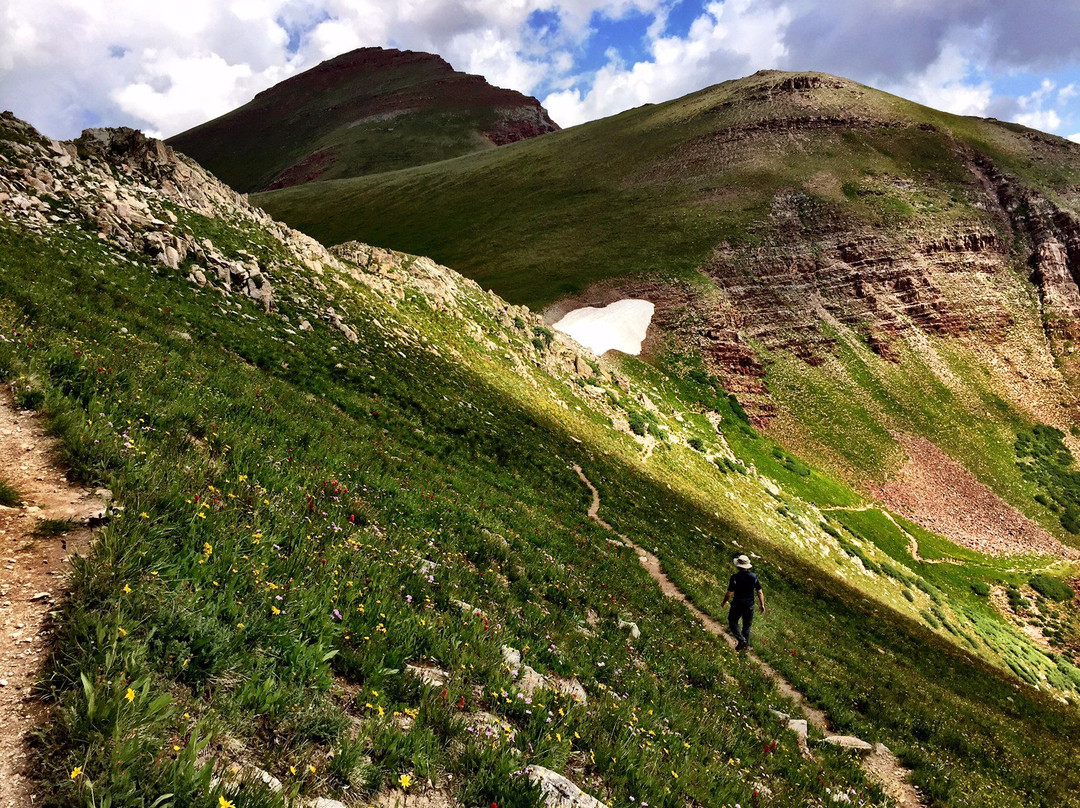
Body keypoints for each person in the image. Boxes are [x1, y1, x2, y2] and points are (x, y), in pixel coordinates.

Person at [720, 554, 765, 651]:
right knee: (747, 626)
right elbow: (759, 591)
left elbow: (729, 593)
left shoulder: (735, 577)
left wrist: (724, 602)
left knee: (732, 621)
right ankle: (744, 647)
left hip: (737, 603)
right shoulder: (754, 577)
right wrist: (762, 604)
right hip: (749, 605)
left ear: (738, 566)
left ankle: (742, 641)